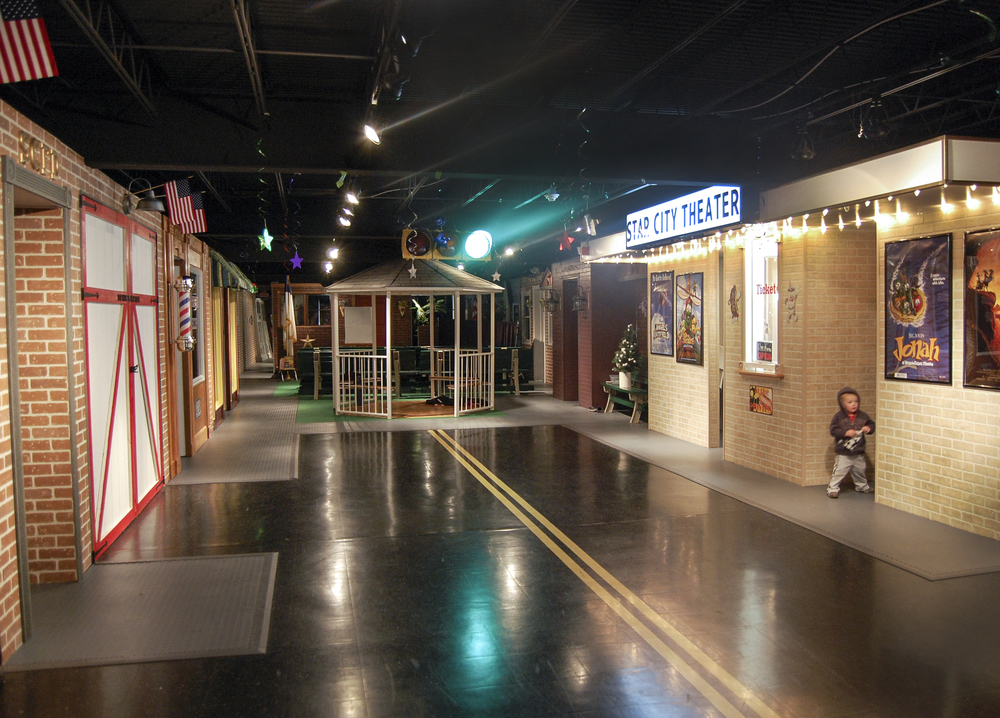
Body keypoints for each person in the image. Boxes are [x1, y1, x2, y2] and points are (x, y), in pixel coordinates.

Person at [827, 387, 875, 498]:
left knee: (860, 470)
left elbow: (871, 424)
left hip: (858, 451)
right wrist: (845, 433)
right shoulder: (838, 417)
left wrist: (869, 428)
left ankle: (862, 486)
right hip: (844, 452)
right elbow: (833, 430)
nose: (854, 404)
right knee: (839, 471)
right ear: (843, 404)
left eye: (856, 402)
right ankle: (832, 489)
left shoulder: (863, 416)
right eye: (850, 402)